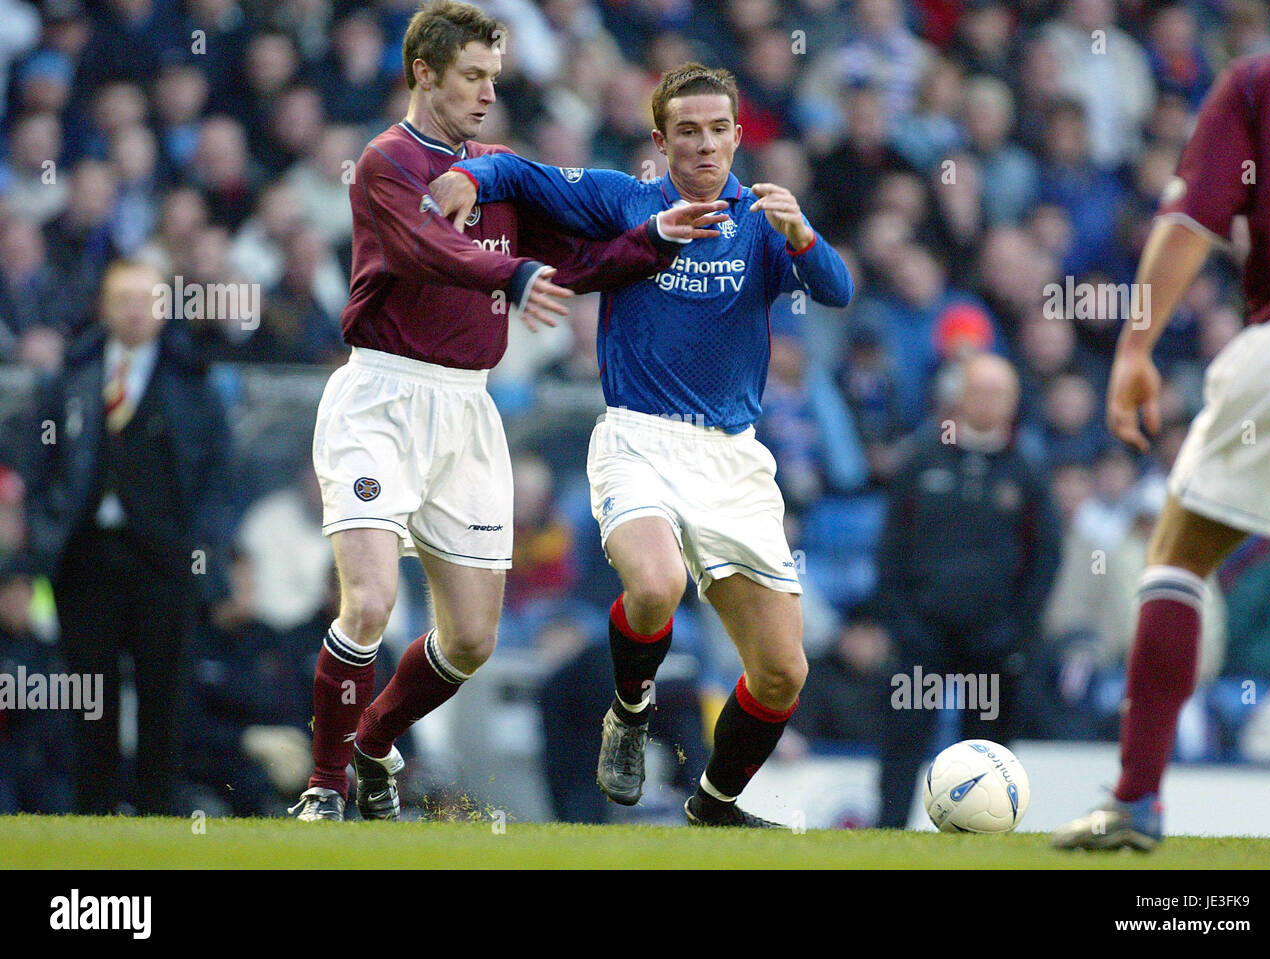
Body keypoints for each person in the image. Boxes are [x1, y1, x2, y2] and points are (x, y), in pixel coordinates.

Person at [293, 1, 727, 821]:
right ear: (424, 73)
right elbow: (428, 248)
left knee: (471, 640)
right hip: (382, 399)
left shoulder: (497, 171)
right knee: (371, 602)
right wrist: (512, 277)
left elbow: (577, 259)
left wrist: (658, 237)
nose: (489, 92)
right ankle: (322, 788)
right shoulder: (387, 162)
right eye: (472, 76)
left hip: (468, 410)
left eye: (495, 76)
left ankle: (374, 743)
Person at [432, 61, 854, 826]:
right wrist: (472, 174)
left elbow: (837, 289)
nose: (704, 146)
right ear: (660, 140)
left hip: (731, 455)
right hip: (639, 440)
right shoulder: (626, 199)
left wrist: (805, 235)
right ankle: (628, 714)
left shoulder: (762, 219)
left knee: (783, 671)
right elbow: (524, 175)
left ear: (735, 136)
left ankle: (714, 804)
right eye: (686, 131)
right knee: (656, 585)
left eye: (718, 130)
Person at [1053, 44, 1270, 851]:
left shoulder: (1264, 82)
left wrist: (1134, 350)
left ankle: (1137, 800)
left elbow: (1191, 219)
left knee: (1178, 553)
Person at [22, 258, 233, 815]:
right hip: (85, 558)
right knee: (89, 695)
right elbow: (40, 466)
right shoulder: (71, 377)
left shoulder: (194, 382)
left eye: (148, 298)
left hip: (166, 563)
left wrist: (202, 551)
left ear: (166, 308)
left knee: (165, 692)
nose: (136, 309)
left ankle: (157, 813)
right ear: (103, 306)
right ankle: (93, 812)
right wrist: (46, 538)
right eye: (123, 298)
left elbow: (216, 477)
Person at [873, 353, 1060, 828]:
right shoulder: (921, 462)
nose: (989, 400)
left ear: (1015, 401)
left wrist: (1018, 630)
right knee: (903, 744)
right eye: (979, 390)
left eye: (1000, 392)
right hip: (923, 636)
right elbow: (890, 548)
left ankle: (982, 837)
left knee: (992, 757)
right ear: (958, 396)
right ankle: (888, 834)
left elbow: (1046, 558)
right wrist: (901, 623)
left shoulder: (1028, 473)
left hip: (995, 640)